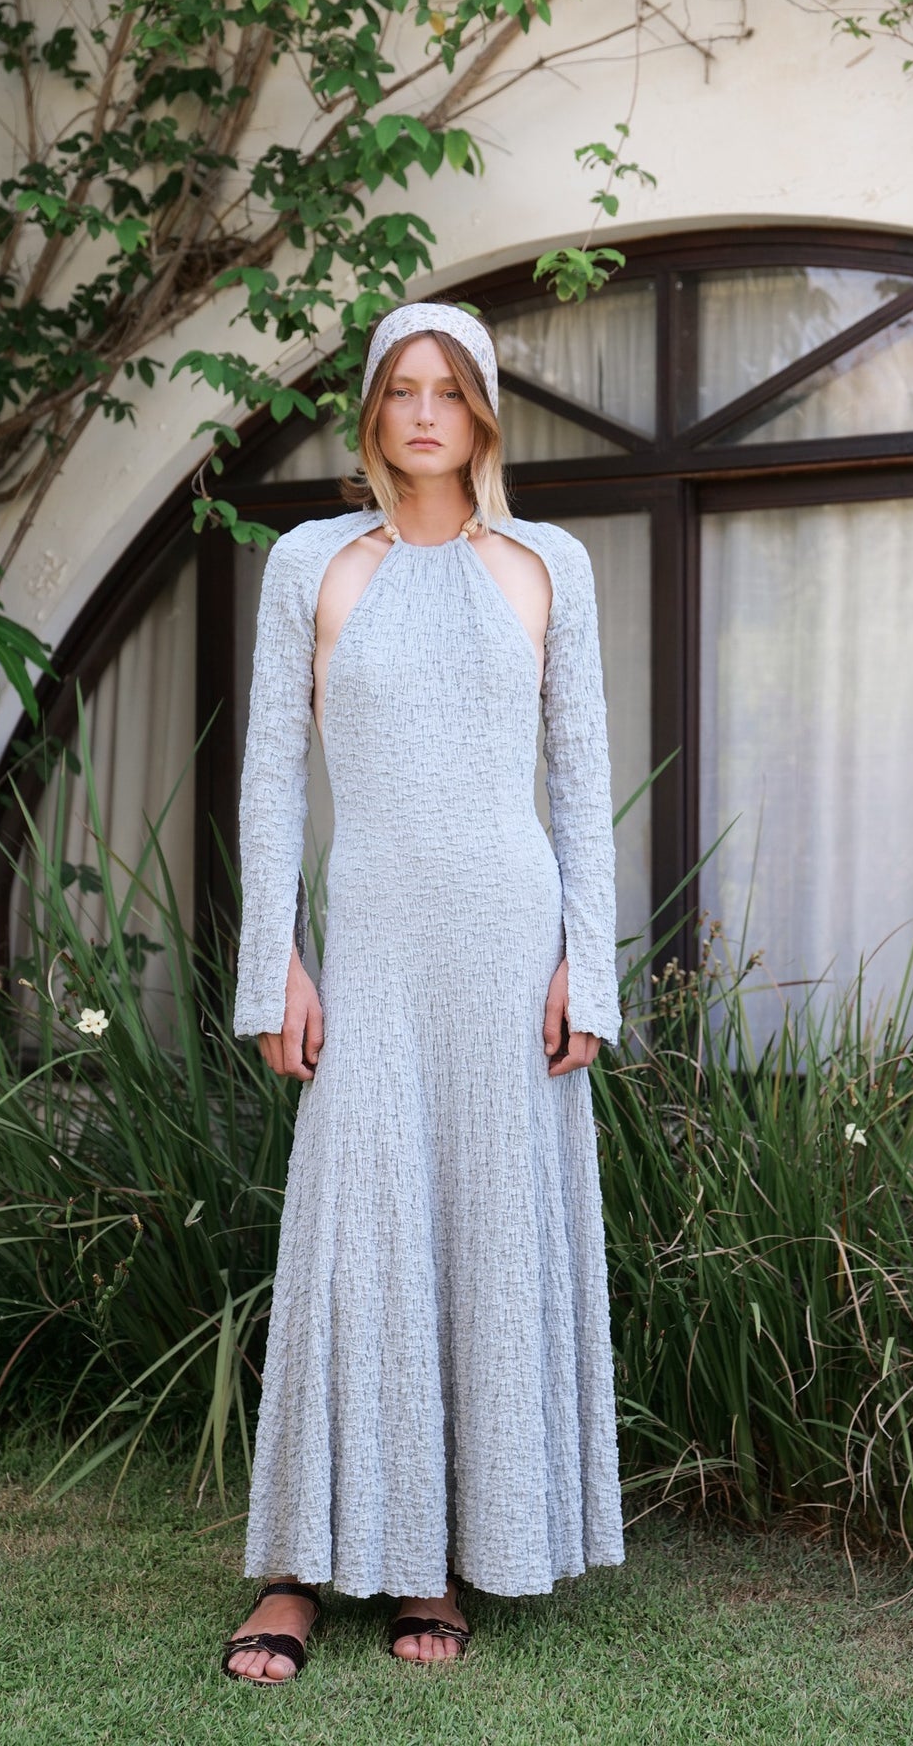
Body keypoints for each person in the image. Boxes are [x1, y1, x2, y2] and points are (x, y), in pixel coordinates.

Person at [219, 300, 625, 1684]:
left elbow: (582, 783)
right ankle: (294, 1567)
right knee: (354, 1236)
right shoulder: (314, 563)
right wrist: (274, 957)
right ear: (374, 414)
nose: (428, 413)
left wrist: (588, 966)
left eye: (452, 391)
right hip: (376, 947)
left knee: (486, 1240)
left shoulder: (549, 565)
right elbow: (271, 774)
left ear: (485, 411)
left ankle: (439, 1562)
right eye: (404, 389)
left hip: (511, 945)